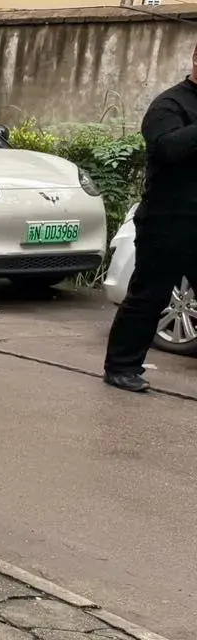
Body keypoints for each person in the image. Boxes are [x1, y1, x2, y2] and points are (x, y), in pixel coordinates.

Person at [105, 46, 197, 392]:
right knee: (149, 297)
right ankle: (122, 367)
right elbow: (168, 149)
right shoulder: (169, 105)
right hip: (168, 221)